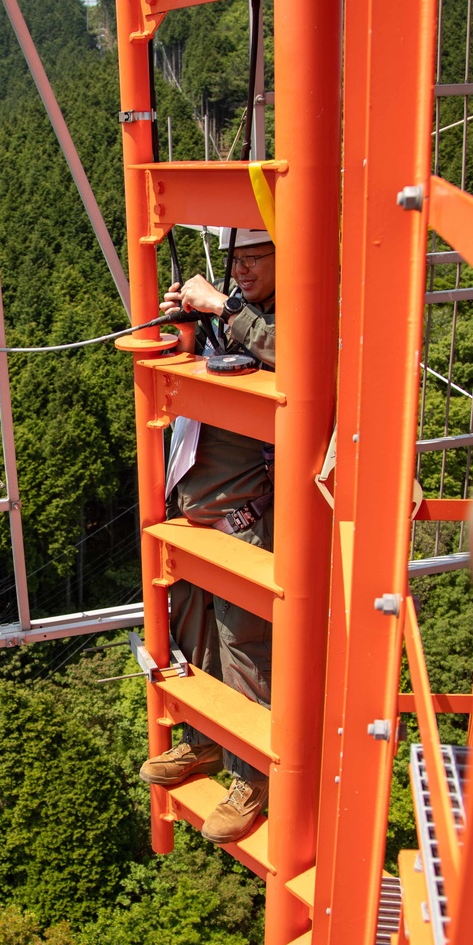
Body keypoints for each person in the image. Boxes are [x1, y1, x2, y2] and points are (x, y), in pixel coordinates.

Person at [139, 228, 276, 844]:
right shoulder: (242, 316)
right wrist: (190, 323)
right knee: (195, 641)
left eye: (255, 258)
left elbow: (295, 353)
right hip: (195, 521)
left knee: (243, 647)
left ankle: (255, 776)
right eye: (236, 261)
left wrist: (224, 307)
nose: (242, 271)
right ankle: (205, 741)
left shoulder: (289, 315)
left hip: (244, 523)